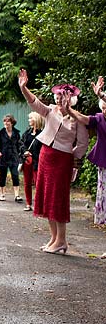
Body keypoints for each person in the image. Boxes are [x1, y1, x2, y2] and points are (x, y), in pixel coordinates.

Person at [18, 69, 89, 254]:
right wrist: (24, 88)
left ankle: (62, 240)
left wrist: (71, 156)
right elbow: (34, 103)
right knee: (46, 197)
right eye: (57, 95)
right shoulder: (50, 111)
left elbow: (82, 144)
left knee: (57, 199)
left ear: (71, 99)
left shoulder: (77, 119)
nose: (58, 99)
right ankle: (54, 238)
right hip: (45, 156)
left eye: (63, 96)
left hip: (62, 160)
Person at [66, 76, 106, 232]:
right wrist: (69, 110)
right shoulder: (99, 119)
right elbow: (83, 118)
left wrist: (101, 94)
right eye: (103, 107)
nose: (104, 110)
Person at [0, 114, 24, 202]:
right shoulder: (1, 133)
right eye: (4, 121)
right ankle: (2, 194)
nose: (6, 123)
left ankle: (17, 195)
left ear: (12, 123)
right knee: (3, 175)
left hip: (14, 157)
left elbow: (20, 145)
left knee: (15, 175)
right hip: (3, 157)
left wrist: (21, 156)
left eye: (8, 121)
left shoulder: (16, 133)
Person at [21, 112, 45, 212]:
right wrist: (25, 151)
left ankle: (38, 204)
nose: (29, 120)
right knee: (27, 182)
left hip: (37, 161)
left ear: (35, 119)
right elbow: (21, 143)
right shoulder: (27, 133)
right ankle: (28, 203)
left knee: (37, 182)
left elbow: (42, 148)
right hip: (27, 161)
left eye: (30, 118)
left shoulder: (42, 134)